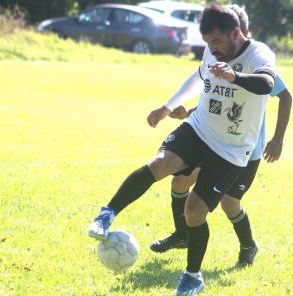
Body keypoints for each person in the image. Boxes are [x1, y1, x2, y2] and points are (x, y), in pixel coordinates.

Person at [88, 5, 276, 295]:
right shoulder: (211, 53)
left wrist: (233, 77)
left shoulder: (259, 54)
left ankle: (192, 276)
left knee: (194, 212)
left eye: (216, 42)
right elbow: (198, 77)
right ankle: (107, 213)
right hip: (199, 129)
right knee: (161, 164)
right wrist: (167, 106)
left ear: (236, 33)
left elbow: (267, 83)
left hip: (231, 149)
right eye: (208, 44)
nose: (212, 49)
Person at [149, 4, 293, 271]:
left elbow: (284, 95)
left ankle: (248, 245)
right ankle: (181, 235)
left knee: (229, 203)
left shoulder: (257, 63)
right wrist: (187, 113)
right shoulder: (218, 58)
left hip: (244, 149)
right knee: (180, 180)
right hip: (211, 139)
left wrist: (278, 138)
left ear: (240, 32)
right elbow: (215, 100)